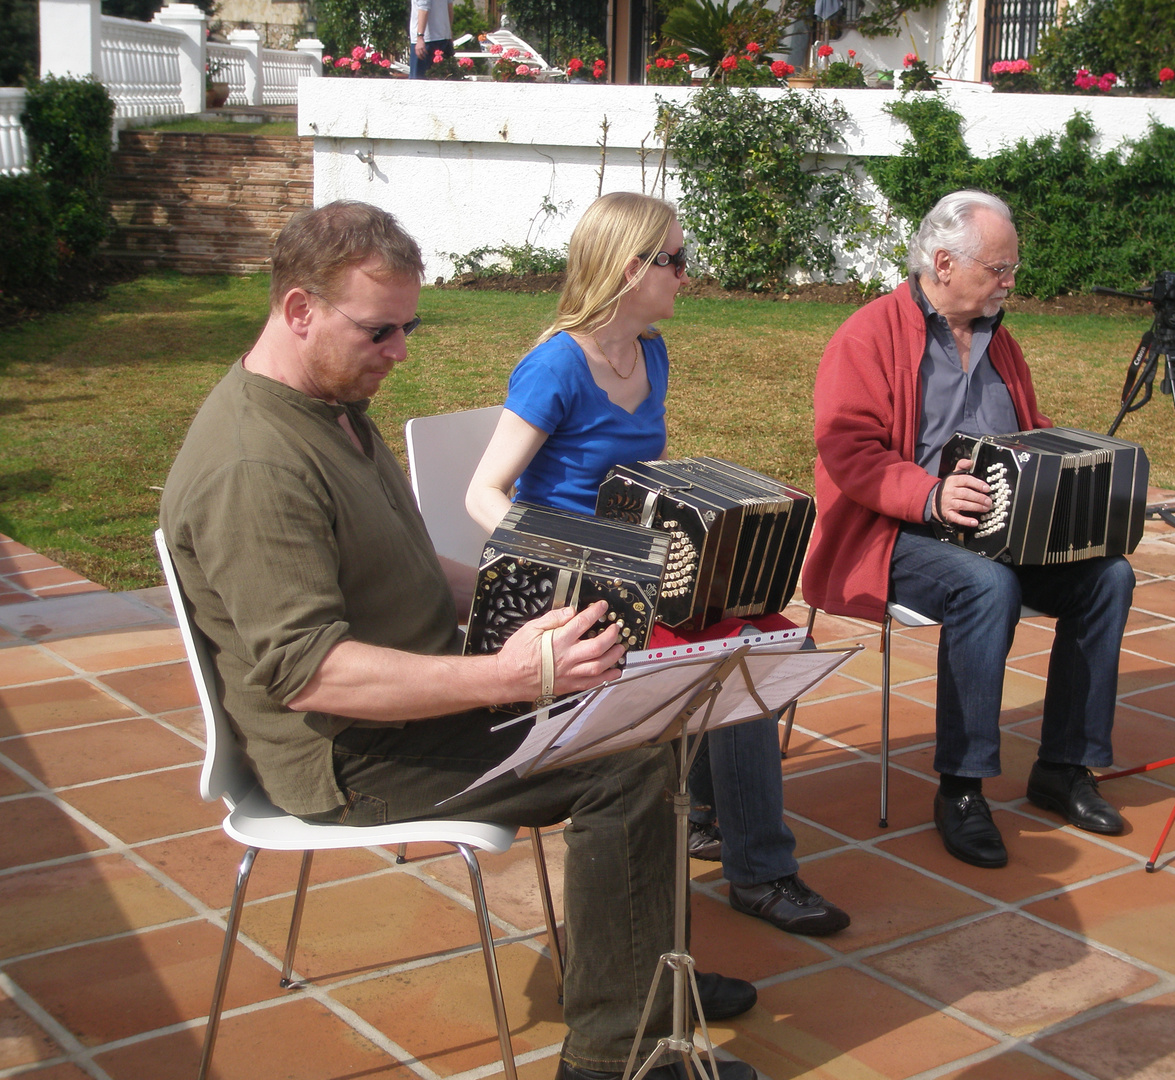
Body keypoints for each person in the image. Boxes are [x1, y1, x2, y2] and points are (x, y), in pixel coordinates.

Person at [158, 200, 757, 1080]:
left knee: (646, 707)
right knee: (626, 760)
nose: (401, 351)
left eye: (410, 325)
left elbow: (408, 565)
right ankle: (616, 1057)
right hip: (354, 756)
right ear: (298, 311)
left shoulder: (329, 407)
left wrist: (539, 592)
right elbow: (314, 676)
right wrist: (510, 675)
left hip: (415, 703)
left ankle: (639, 984)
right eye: (380, 331)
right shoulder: (255, 465)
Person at [466, 191, 849, 937]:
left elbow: (641, 480)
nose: (686, 274)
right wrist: (581, 555)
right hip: (577, 590)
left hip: (643, 572)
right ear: (629, 267)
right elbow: (484, 492)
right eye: (674, 260)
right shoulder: (557, 366)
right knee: (733, 652)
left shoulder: (652, 352)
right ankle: (761, 870)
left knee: (773, 630)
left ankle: (708, 813)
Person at [804, 189, 1135, 870]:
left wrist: (1061, 489)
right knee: (986, 588)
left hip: (997, 526)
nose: (1010, 283)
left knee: (1110, 575)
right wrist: (928, 494)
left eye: (1012, 269)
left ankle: (1064, 767)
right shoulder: (866, 335)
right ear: (945, 262)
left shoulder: (1000, 339)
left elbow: (1026, 435)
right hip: (891, 531)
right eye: (999, 269)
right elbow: (848, 450)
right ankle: (962, 787)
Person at [408, 0, 453, 78]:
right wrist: (449, 33)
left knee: (417, 82)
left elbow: (424, 9)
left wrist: (420, 37)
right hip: (443, 38)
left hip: (427, 41)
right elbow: (449, 7)